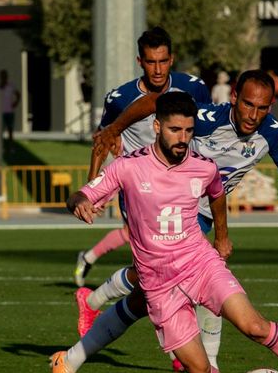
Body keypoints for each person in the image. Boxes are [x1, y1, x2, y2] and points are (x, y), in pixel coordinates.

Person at [45, 92, 278, 373]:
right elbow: (82, 193)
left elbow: (217, 193)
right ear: (156, 127)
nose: (183, 139)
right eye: (174, 130)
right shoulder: (128, 167)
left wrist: (221, 236)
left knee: (255, 326)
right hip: (159, 284)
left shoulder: (202, 167)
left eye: (188, 131)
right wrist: (80, 202)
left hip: (200, 264)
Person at [73, 27, 210, 287]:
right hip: (139, 189)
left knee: (183, 262)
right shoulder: (119, 99)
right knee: (159, 266)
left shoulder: (194, 88)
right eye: (150, 62)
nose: (157, 70)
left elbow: (204, 133)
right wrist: (93, 189)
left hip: (181, 186)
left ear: (171, 59)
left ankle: (100, 296)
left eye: (162, 62)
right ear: (140, 62)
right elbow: (103, 142)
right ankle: (101, 299)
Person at [0, 69, 21, 147]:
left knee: (10, 130)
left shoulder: (10, 86)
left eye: (4, 76)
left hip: (9, 112)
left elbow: (18, 94)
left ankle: (11, 147)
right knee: (0, 131)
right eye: (2, 76)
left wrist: (15, 103)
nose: (3, 77)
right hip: (1, 112)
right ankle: (1, 147)